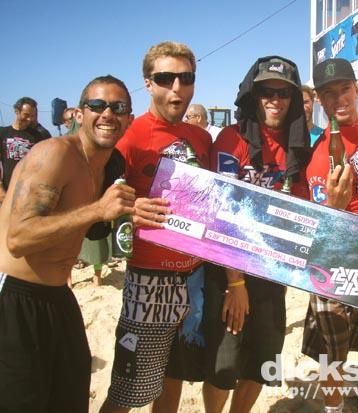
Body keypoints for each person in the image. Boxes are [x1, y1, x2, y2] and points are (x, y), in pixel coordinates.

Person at [0, 74, 136, 413]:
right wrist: (97, 209)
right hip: (14, 297)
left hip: (58, 295)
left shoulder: (109, 166)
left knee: (71, 396)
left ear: (129, 119)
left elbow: (92, 227)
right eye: (97, 105)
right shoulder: (55, 154)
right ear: (79, 113)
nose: (108, 114)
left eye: (118, 107)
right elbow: (18, 238)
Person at [100, 41, 212, 413]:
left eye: (186, 78)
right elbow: (96, 202)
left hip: (195, 276)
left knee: (173, 376)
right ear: (148, 83)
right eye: (165, 78)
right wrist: (128, 212)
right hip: (148, 280)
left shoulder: (202, 138)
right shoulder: (127, 138)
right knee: (128, 390)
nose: (176, 87)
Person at [204, 55, 310, 413]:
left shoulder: (298, 146)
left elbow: (303, 211)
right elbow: (220, 212)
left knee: (263, 362)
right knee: (224, 365)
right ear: (254, 95)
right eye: (267, 92)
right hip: (229, 269)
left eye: (283, 93)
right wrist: (235, 283)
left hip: (271, 272)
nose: (275, 100)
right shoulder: (231, 139)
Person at [301, 58, 358, 413]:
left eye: (345, 89)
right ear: (320, 100)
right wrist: (333, 209)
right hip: (327, 256)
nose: (339, 99)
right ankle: (333, 408)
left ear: (357, 89)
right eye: (329, 93)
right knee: (331, 348)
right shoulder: (308, 149)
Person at [0, 97, 49, 204]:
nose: (29, 119)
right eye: (26, 115)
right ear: (17, 111)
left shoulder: (39, 135)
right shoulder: (3, 133)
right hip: (7, 192)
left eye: (32, 116)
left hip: (30, 194)